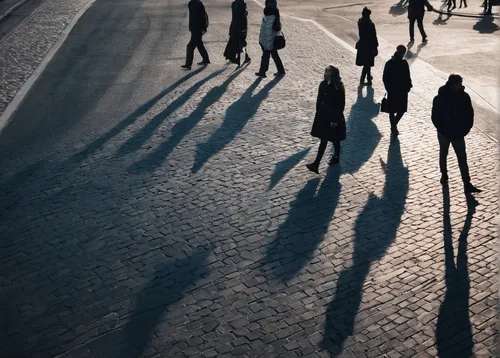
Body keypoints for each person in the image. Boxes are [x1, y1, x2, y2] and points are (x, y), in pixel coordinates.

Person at [432, 74, 481, 193]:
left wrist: (465, 130)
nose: (461, 86)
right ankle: (444, 175)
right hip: (444, 133)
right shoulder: (440, 97)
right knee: (444, 154)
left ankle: (467, 183)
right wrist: (442, 129)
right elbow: (435, 117)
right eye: (458, 84)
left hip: (458, 133)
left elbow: (470, 114)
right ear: (452, 84)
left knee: (462, 158)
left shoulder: (464, 97)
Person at [306, 65, 346, 174]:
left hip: (333, 118)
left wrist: (335, 120)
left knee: (332, 140)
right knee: (328, 139)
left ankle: (326, 160)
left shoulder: (338, 87)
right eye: (326, 73)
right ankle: (321, 162)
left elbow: (340, 105)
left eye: (329, 73)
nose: (327, 75)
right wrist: (318, 112)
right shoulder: (323, 84)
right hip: (323, 117)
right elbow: (319, 100)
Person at [383, 45, 412, 135]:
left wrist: (388, 88)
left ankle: (393, 125)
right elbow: (407, 77)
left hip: (392, 90)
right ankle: (394, 125)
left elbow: (385, 78)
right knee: (401, 109)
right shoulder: (403, 63)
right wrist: (408, 87)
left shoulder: (389, 63)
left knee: (391, 110)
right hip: (402, 91)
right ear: (403, 53)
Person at [255, 1, 285, 77]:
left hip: (269, 37)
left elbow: (268, 29)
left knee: (267, 54)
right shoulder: (274, 12)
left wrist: (265, 40)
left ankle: (262, 72)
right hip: (270, 37)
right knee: (273, 54)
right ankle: (280, 70)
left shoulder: (269, 13)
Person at [182, 0, 210, 70]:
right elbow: (192, 17)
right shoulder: (192, 3)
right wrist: (191, 27)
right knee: (199, 44)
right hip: (194, 28)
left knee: (190, 46)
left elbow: (203, 16)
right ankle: (206, 59)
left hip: (198, 28)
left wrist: (203, 28)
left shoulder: (197, 4)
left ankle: (188, 64)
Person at [356, 7, 379, 87]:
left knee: (367, 63)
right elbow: (373, 36)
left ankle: (368, 79)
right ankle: (363, 79)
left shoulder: (360, 22)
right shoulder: (370, 24)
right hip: (369, 46)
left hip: (362, 45)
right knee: (367, 64)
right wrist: (376, 47)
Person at [224, 0, 251, 67]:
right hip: (240, 26)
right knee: (241, 42)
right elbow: (243, 16)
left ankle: (233, 56)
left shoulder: (234, 3)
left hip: (234, 25)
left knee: (235, 41)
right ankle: (242, 57)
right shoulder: (242, 4)